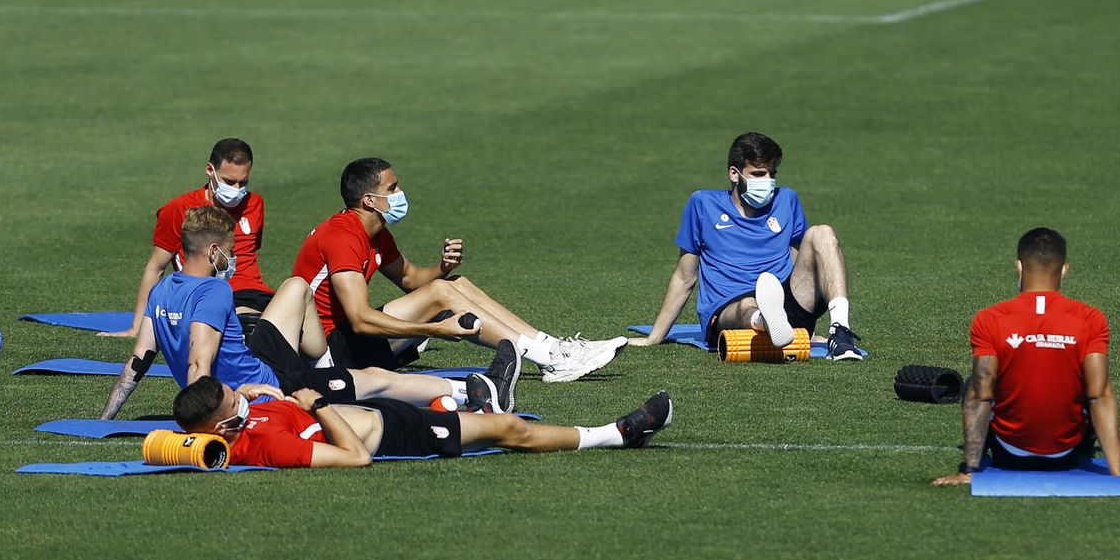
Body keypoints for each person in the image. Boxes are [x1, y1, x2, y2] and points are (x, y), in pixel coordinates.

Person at [98, 207, 520, 420]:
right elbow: (198, 363)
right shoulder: (214, 291)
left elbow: (138, 361)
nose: (231, 256)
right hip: (272, 386)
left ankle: (326, 362)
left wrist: (106, 417)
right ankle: (475, 390)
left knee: (296, 286)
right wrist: (201, 421)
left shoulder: (161, 290)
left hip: (263, 363)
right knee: (372, 382)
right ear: (212, 251)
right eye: (228, 248)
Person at [290, 157, 627, 382]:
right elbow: (361, 319)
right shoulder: (342, 237)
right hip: (330, 357)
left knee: (454, 283)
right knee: (441, 293)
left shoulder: (373, 232)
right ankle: (553, 359)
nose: (400, 194)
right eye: (392, 189)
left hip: (348, 340)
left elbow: (409, 279)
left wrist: (442, 266)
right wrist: (438, 330)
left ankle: (552, 348)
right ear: (368, 200)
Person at [932, 228, 1120, 487]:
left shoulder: (989, 318)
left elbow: (981, 395)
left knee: (975, 382)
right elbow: (1099, 395)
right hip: (1066, 455)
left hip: (1008, 454)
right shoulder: (1091, 318)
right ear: (1065, 269)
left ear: (1019, 266)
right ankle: (1108, 461)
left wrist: (968, 470)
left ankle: (975, 463)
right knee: (1099, 382)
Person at [631, 132, 864, 360]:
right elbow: (684, 277)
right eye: (759, 174)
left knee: (822, 233)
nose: (768, 182)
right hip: (729, 307)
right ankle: (768, 321)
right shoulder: (702, 204)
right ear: (734, 174)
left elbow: (798, 264)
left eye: (772, 174)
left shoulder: (787, 200)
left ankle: (840, 332)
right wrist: (655, 337)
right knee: (747, 304)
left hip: (783, 298)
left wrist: (806, 326)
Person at [171, 376, 673, 468]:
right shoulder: (265, 448)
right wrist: (318, 405)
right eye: (231, 402)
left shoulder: (243, 418)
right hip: (396, 435)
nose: (241, 401)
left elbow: (261, 409)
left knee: (379, 381)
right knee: (508, 429)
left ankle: (460, 408)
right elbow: (354, 458)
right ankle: (618, 434)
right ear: (217, 430)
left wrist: (260, 395)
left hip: (383, 416)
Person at [100, 138, 274, 338]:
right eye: (229, 182)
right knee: (258, 328)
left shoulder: (255, 204)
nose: (236, 190)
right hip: (208, 295)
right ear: (210, 170)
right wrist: (136, 328)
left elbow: (248, 255)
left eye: (243, 183)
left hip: (257, 294)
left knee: (298, 301)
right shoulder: (179, 209)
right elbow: (156, 267)